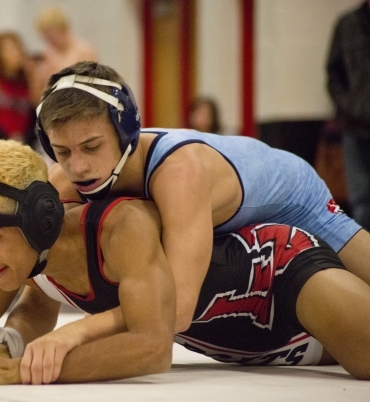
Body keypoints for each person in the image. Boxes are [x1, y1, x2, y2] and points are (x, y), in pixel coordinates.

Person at [0, 140, 370, 385]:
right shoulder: (29, 259)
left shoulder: (121, 226)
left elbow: (151, 346)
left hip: (280, 276)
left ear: (40, 221)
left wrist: (23, 371)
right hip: (263, 344)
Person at [35, 61, 370, 333]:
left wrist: (78, 332)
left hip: (294, 195)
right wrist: (8, 339)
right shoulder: (62, 180)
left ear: (126, 133)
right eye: (62, 151)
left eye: (92, 146)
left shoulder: (178, 174)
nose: (77, 166)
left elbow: (178, 310)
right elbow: (40, 286)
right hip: (233, 208)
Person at [326, 1, 370, 231]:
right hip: (354, 126)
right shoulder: (348, 24)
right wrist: (346, 105)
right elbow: (333, 72)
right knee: (360, 199)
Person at [29, 5, 98, 106]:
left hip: (80, 107)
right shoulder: (46, 55)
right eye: (46, 38)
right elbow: (36, 97)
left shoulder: (84, 51)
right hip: (54, 108)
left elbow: (94, 86)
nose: (51, 41)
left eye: (53, 36)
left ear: (64, 29)